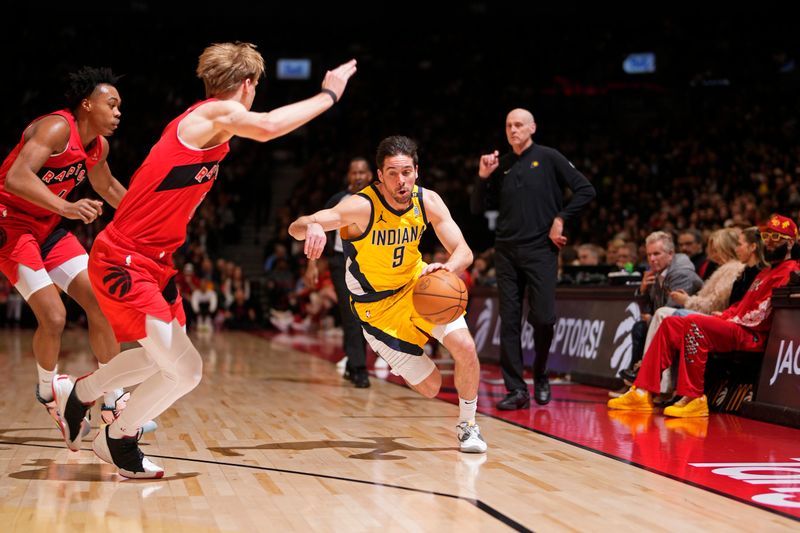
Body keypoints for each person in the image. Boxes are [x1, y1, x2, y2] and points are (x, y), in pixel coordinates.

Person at [51, 42, 357, 478]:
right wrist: (330, 94)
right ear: (248, 85)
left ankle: (79, 393)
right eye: (256, 87)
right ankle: (117, 437)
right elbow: (269, 126)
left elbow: (162, 189)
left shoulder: (211, 131)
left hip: (154, 260)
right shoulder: (210, 114)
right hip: (125, 258)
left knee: (159, 359)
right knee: (187, 370)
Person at [289, 135, 487, 453]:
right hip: (376, 308)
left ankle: (468, 426)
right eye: (392, 173)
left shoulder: (428, 201)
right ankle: (396, 356)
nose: (400, 180)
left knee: (465, 347)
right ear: (379, 176)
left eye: (406, 171)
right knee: (432, 387)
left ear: (417, 171)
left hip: (418, 288)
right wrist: (312, 226)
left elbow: (464, 250)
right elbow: (296, 226)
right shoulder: (360, 205)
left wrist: (447, 267)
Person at [0, 67, 130, 429]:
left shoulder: (97, 146)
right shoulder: (57, 128)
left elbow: (108, 187)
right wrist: (66, 207)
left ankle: (112, 397)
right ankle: (47, 392)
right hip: (11, 225)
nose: (118, 112)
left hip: (48, 229)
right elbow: (16, 177)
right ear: (87, 105)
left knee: (102, 302)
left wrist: (149, 217)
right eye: (112, 104)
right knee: (54, 317)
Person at [609, 214, 800, 417]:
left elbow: (761, 313)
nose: (769, 242)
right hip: (737, 326)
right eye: (767, 236)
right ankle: (642, 391)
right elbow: (742, 306)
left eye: (776, 237)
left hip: (752, 335)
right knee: (671, 323)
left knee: (694, 323)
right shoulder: (765, 272)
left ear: (789, 244)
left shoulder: (790, 271)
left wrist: (724, 318)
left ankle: (694, 397)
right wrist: (725, 314)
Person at [471, 108, 596, 409]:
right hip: (506, 251)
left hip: (541, 250)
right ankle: (516, 390)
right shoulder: (502, 166)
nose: (513, 130)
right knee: (510, 321)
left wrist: (561, 218)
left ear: (532, 128)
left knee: (543, 318)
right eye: (508, 125)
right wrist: (482, 177)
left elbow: (585, 190)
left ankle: (540, 373)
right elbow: (477, 209)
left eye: (518, 125)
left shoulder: (549, 157)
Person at [304, 157, 372, 388]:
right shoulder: (337, 200)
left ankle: (353, 364)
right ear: (349, 176)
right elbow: (316, 230)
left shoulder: (379, 201)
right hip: (340, 263)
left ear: (371, 175)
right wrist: (312, 264)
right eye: (354, 172)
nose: (358, 176)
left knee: (363, 315)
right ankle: (360, 368)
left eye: (362, 172)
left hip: (371, 264)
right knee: (351, 312)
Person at [615, 231, 703, 385]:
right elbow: (645, 308)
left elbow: (671, 311)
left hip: (690, 325)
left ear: (670, 254)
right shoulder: (658, 272)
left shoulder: (681, 273)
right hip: (664, 320)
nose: (652, 259)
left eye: (656, 254)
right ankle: (634, 382)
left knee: (644, 327)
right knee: (640, 327)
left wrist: (650, 318)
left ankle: (642, 380)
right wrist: (642, 290)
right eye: (649, 255)